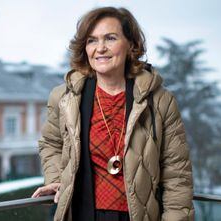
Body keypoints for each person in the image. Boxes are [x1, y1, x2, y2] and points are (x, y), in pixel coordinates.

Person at [32, 7, 194, 221]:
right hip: (81, 214)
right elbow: (51, 143)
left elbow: (177, 177)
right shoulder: (65, 97)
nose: (100, 48)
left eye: (110, 38)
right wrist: (56, 178)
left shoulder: (161, 101)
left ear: (131, 45)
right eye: (91, 40)